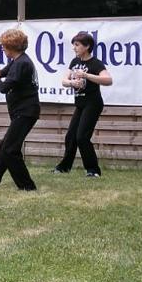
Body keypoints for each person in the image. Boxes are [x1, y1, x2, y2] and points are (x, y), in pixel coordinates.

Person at [0, 28, 40, 191]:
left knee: (10, 149)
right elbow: (3, 73)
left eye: (4, 46)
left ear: (12, 47)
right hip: (21, 111)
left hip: (25, 112)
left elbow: (3, 87)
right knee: (5, 147)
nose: (2, 49)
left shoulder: (22, 63)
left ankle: (27, 186)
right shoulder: (17, 61)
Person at [52, 31, 112, 178]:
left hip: (93, 104)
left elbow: (108, 80)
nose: (74, 47)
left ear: (87, 46)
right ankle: (64, 168)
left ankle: (93, 170)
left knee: (82, 137)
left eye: (77, 45)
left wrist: (86, 75)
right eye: (74, 44)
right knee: (70, 137)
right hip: (80, 104)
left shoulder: (95, 63)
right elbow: (64, 81)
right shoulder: (74, 62)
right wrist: (72, 82)